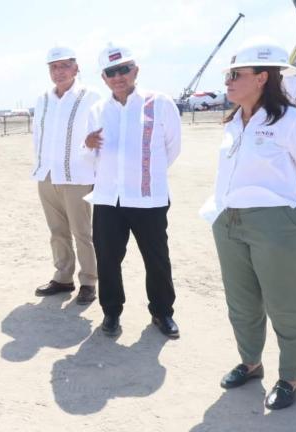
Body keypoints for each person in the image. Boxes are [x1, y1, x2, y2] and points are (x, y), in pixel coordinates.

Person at [199, 39, 296, 410]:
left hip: (277, 225)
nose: (228, 81)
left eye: (235, 75)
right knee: (241, 302)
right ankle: (250, 362)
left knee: (287, 306)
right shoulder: (234, 122)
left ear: (261, 77)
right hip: (229, 222)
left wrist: (293, 212)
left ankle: (291, 377)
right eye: (228, 74)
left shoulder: (293, 120)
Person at [84, 43, 181, 338]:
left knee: (157, 259)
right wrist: (86, 146)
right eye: (111, 72)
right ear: (104, 78)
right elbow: (90, 157)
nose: (118, 76)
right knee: (108, 259)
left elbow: (172, 148)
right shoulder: (97, 110)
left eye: (124, 69)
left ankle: (162, 312)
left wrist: (145, 176)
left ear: (135, 70)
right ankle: (111, 312)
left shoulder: (159, 103)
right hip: (107, 200)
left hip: (147, 197)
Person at [31, 46, 101, 304]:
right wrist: (39, 166)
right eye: (53, 67)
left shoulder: (91, 97)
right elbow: (38, 136)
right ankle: (63, 277)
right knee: (57, 230)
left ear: (76, 68)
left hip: (77, 175)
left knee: (82, 232)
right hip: (47, 174)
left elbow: (99, 135)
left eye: (64, 66)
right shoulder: (43, 99)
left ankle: (88, 281)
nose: (58, 72)